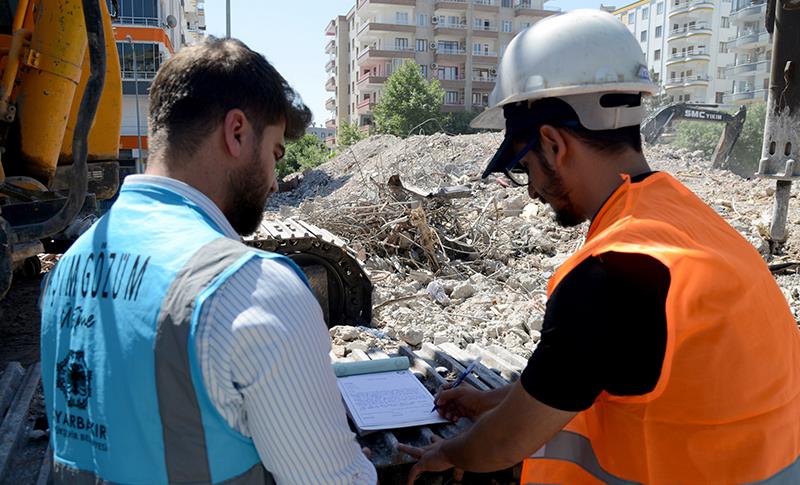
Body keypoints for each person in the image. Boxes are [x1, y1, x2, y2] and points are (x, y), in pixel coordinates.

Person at [398, 9, 800, 485]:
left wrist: (449, 452)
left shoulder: (609, 272)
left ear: (552, 143)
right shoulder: (692, 223)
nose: (530, 191)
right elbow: (590, 373)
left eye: (525, 167)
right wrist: (495, 399)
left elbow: (505, 443)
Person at [39, 38, 376, 484]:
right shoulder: (253, 290)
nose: (275, 182)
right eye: (274, 153)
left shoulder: (66, 271)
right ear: (236, 132)